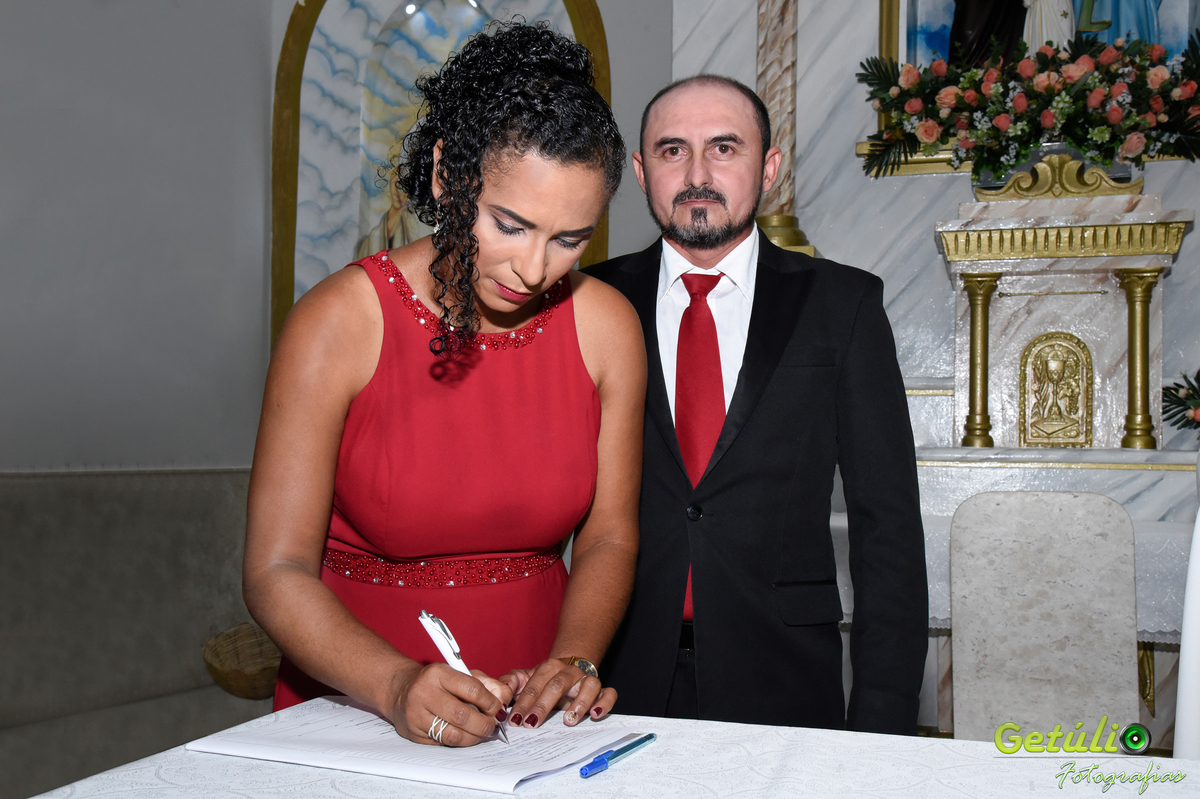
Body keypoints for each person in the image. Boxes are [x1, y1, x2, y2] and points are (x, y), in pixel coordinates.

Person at [243, 22, 645, 748]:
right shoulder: (339, 321)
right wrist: (394, 684)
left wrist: (575, 658)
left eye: (569, 239)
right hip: (354, 702)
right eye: (510, 224)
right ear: (445, 176)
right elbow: (276, 569)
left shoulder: (606, 326)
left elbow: (611, 534)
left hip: (534, 716)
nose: (534, 269)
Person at [588, 75, 928, 734]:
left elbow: (886, 527)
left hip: (784, 681)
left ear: (768, 168)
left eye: (724, 148)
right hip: (616, 681)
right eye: (671, 151)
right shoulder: (591, 300)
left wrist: (883, 726)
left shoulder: (844, 305)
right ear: (641, 171)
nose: (697, 174)